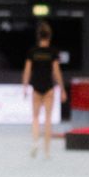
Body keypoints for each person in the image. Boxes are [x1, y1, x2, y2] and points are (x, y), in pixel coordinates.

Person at [22, 21, 62, 159]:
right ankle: (47, 151)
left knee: (35, 117)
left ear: (38, 36)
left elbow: (27, 71)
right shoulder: (53, 52)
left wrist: (25, 86)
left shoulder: (32, 52)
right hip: (49, 88)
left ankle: (35, 142)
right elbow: (56, 72)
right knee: (48, 119)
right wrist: (62, 89)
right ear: (49, 36)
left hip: (36, 88)